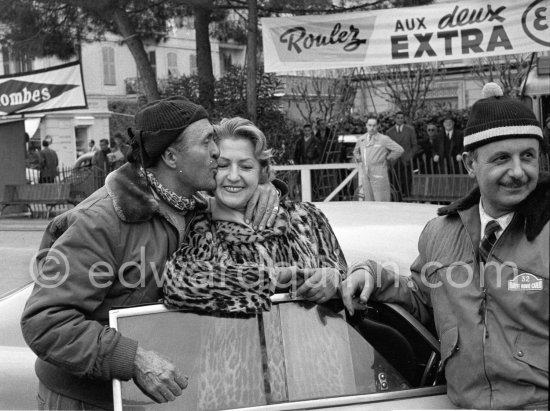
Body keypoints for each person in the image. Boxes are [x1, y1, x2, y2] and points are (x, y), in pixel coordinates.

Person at [21, 97, 281, 410]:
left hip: (161, 398)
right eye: (207, 141)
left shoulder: (196, 207)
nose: (217, 151)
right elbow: (45, 322)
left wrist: (266, 190)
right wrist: (134, 359)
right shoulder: (100, 221)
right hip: (85, 401)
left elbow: (250, 199)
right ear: (171, 157)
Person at [341, 83, 549, 410]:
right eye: (501, 158)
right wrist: (372, 275)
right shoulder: (440, 233)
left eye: (528, 156)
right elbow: (425, 299)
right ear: (469, 164)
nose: (518, 172)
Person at [164, 117, 347, 313]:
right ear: (211, 169)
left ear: (262, 171)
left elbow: (346, 278)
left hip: (310, 341)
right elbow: (177, 282)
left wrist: (334, 276)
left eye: (246, 166)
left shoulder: (307, 217)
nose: (233, 176)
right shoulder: (202, 226)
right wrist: (273, 278)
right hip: (240, 342)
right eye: (223, 165)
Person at [353, 115, 404, 201]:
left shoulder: (383, 139)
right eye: (369, 125)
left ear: (378, 126)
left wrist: (388, 158)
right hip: (365, 173)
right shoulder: (361, 139)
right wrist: (359, 159)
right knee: (369, 201)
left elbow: (399, 149)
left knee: (381, 200)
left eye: (374, 125)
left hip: (379, 172)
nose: (371, 128)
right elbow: (355, 151)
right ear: (366, 125)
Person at [386, 111, 418, 196]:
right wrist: (391, 157)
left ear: (404, 119)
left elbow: (415, 146)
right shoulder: (389, 132)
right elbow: (387, 147)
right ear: (395, 119)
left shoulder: (410, 130)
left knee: (407, 182)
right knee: (395, 181)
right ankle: (396, 197)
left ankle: (407, 197)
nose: (400, 120)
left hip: (406, 160)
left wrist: (409, 156)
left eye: (401, 118)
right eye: (398, 118)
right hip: (394, 161)